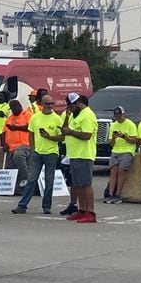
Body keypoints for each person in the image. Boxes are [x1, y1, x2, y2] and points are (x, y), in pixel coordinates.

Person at [13, 94, 63, 214]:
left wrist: (49, 137)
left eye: (52, 104)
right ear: (42, 104)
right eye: (47, 104)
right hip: (37, 152)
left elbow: (62, 137)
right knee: (31, 179)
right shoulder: (35, 117)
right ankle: (22, 205)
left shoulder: (57, 118)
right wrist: (33, 149)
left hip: (51, 152)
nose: (50, 106)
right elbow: (30, 134)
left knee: (49, 180)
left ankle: (47, 206)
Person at [60, 92, 98, 224]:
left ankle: (90, 212)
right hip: (74, 154)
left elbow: (86, 135)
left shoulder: (87, 115)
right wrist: (67, 116)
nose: (69, 108)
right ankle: (82, 210)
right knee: (77, 184)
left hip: (84, 154)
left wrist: (71, 132)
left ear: (77, 103)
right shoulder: (75, 115)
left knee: (86, 184)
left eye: (71, 106)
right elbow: (64, 129)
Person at [105, 106, 138, 204]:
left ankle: (118, 194)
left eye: (119, 116)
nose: (118, 118)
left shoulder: (130, 124)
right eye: (116, 116)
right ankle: (110, 194)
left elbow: (134, 141)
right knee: (113, 170)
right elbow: (111, 144)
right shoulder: (113, 125)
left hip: (127, 150)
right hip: (116, 150)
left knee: (121, 171)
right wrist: (114, 138)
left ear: (123, 114)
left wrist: (123, 136)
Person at [3, 99, 32, 191]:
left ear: (20, 106)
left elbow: (30, 127)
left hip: (24, 145)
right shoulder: (9, 118)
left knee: (18, 156)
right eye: (12, 108)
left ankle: (27, 179)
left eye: (15, 107)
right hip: (11, 147)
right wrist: (4, 144)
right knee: (9, 168)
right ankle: (15, 189)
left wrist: (16, 128)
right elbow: (3, 132)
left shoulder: (27, 114)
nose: (14, 110)